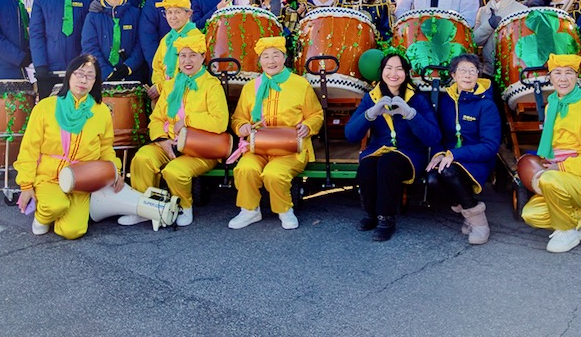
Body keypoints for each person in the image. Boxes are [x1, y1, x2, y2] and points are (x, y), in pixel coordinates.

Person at [121, 34, 229, 228]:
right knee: (142, 159)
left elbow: (220, 122)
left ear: (203, 57)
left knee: (174, 171)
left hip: (200, 148)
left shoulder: (211, 85)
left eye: (193, 55)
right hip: (168, 142)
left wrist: (187, 121)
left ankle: (183, 207)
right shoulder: (170, 86)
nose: (187, 61)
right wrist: (162, 140)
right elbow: (156, 119)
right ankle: (145, 208)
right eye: (183, 55)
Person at [14, 54, 123, 239]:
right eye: (79, 73)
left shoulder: (102, 111)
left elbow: (106, 147)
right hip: (49, 177)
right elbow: (29, 148)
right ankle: (43, 216)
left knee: (73, 231)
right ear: (69, 76)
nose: (83, 80)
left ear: (95, 82)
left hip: (82, 180)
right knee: (55, 205)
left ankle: (61, 214)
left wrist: (115, 170)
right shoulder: (46, 107)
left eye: (90, 76)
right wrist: (26, 185)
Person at [228, 37, 324, 230]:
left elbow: (316, 114)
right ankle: (249, 210)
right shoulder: (250, 88)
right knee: (245, 169)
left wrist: (308, 125)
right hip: (258, 147)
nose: (271, 61)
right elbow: (237, 119)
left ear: (284, 58)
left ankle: (284, 210)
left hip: (291, 148)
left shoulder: (300, 84)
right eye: (265, 56)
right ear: (260, 61)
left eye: (275, 56)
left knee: (274, 174)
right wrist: (243, 126)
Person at [344, 52, 441, 241]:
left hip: (410, 153)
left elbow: (433, 137)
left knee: (388, 163)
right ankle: (370, 213)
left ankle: (386, 218)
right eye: (388, 68)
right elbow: (350, 134)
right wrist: (370, 114)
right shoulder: (371, 97)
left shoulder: (417, 99)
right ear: (382, 72)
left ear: (406, 73)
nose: (393, 74)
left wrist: (411, 114)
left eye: (399, 69)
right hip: (379, 148)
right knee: (367, 165)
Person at [521, 54, 581, 253]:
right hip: (563, 181)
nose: (563, 79)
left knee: (550, 180)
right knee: (530, 214)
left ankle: (567, 229)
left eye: (569, 73)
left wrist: (561, 167)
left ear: (577, 77)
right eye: (557, 73)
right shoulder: (552, 103)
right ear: (550, 78)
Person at [427, 53, 501, 245]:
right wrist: (438, 153)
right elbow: (437, 134)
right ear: (453, 75)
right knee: (433, 179)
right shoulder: (445, 101)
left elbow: (490, 146)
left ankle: (479, 223)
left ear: (478, 74)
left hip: (477, 159)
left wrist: (454, 154)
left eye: (472, 70)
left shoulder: (487, 105)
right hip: (449, 158)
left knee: (449, 172)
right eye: (462, 70)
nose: (467, 75)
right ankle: (468, 214)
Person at [30, 0, 94, 100]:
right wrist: (40, 65)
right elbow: (36, 33)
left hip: (79, 70)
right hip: (49, 68)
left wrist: (86, 66)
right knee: (51, 115)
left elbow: (91, 37)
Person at [81, 0, 143, 82]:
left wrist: (128, 67)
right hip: (101, 76)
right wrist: (107, 72)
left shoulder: (135, 13)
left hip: (131, 75)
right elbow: (89, 46)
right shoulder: (93, 15)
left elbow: (140, 43)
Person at [139, 0, 199, 69]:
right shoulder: (156, 0)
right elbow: (147, 36)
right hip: (164, 64)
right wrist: (157, 65)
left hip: (193, 65)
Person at [472, 0, 528, 76]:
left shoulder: (522, 11)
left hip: (513, 71)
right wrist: (489, 25)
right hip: (488, 71)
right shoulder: (483, 11)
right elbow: (475, 41)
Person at [149, 0, 202, 101]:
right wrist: (158, 84)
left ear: (189, 14)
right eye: (169, 12)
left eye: (178, 12)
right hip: (165, 95)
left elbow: (188, 72)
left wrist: (161, 87)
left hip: (187, 96)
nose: (173, 17)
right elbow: (157, 66)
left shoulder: (196, 38)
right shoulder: (167, 39)